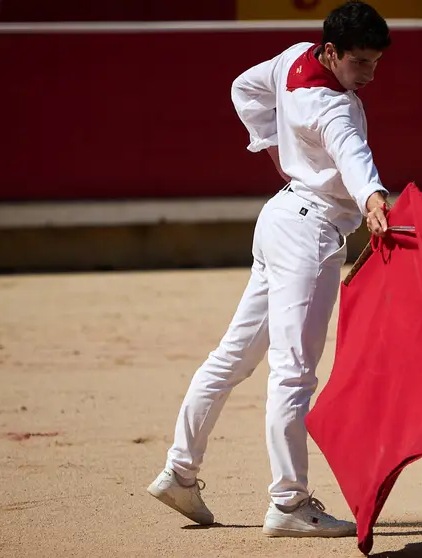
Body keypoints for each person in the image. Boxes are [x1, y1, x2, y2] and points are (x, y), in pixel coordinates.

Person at [147, 0, 392, 538]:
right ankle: (288, 502)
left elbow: (244, 88)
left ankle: (179, 471)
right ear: (332, 52)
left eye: (375, 63)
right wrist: (373, 197)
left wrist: (275, 148)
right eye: (360, 62)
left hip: (281, 218)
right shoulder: (334, 107)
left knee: (232, 358)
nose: (368, 75)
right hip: (310, 235)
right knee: (294, 372)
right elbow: (353, 155)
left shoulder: (294, 57)